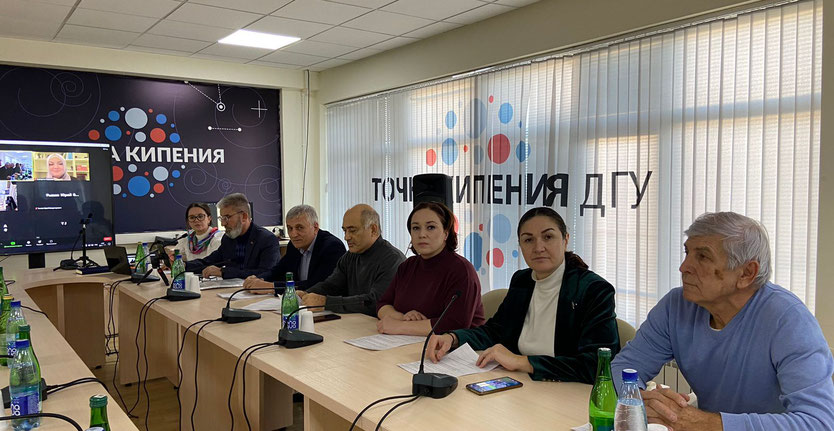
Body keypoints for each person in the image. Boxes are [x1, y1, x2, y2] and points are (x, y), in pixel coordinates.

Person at [611, 212, 834, 430]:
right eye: (687, 252)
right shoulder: (676, 306)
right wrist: (643, 403)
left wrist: (706, 423)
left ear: (746, 273)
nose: (684, 267)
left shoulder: (789, 321)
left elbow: (818, 422)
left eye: (703, 257)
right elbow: (624, 368)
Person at [425, 207, 619, 383]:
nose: (538, 247)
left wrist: (523, 362)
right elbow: (495, 331)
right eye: (528, 240)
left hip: (567, 390)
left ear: (565, 239)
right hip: (519, 382)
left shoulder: (593, 290)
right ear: (520, 245)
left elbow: (597, 365)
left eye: (548, 237)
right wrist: (453, 338)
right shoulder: (522, 280)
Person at [376, 202, 485, 335]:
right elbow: (382, 305)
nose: (422, 234)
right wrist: (403, 318)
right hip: (410, 341)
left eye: (431, 227)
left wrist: (400, 326)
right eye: (416, 228)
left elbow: (456, 324)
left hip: (457, 346)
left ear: (446, 233)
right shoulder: (407, 266)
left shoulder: (462, 270)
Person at [296, 204, 406, 316]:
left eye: (352, 231)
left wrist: (326, 302)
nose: (346, 237)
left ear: (373, 229)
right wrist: (306, 294)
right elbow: (332, 286)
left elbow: (375, 302)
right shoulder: (350, 256)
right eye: (345, 231)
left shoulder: (392, 260)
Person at [244, 204, 345, 291]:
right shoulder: (294, 245)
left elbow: (317, 284)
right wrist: (258, 279)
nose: (293, 234)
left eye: (299, 228)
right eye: (290, 228)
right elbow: (278, 271)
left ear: (315, 227)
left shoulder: (332, 247)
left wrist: (271, 287)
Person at [185, 193, 280, 279]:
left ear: (244, 217)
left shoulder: (267, 239)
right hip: (232, 289)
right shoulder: (228, 238)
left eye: (227, 217)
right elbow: (209, 262)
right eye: (221, 218)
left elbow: (266, 273)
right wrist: (184, 266)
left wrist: (224, 272)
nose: (223, 223)